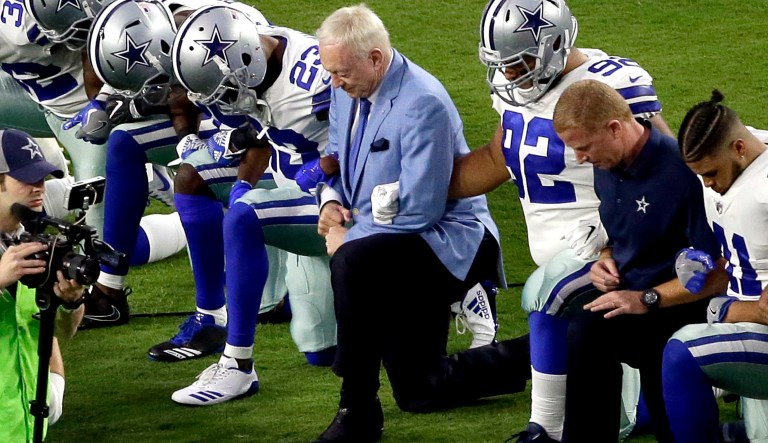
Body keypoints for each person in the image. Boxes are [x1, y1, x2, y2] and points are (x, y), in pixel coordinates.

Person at [449, 0, 674, 440]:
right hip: (565, 249)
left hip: (615, 249)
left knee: (545, 295)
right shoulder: (516, 88)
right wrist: (419, 191)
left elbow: (669, 171)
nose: (512, 74)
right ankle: (647, 404)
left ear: (554, 43)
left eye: (522, 62)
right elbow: (498, 158)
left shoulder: (609, 84)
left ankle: (546, 428)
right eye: (505, 64)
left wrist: (615, 229)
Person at [312, 5, 530, 442]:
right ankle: (541, 351)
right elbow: (334, 154)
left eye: (341, 72)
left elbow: (421, 209)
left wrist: (349, 237)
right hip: (393, 240)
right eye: (330, 72)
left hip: (450, 241)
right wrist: (330, 202)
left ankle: (357, 409)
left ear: (375, 58)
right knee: (419, 391)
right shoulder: (345, 87)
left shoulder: (422, 103)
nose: (334, 82)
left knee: (353, 265)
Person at [163, 2, 343, 405]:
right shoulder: (256, 50)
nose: (223, 104)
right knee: (321, 353)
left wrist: (327, 167)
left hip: (345, 201)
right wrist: (244, 180)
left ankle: (237, 365)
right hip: (297, 189)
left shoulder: (318, 79)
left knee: (244, 217)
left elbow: (374, 132)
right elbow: (263, 128)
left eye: (226, 91)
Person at [548, 79, 725, 442]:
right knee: (585, 332)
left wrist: (647, 299)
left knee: (655, 360)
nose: (581, 159)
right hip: (632, 296)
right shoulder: (606, 161)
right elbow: (618, 228)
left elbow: (718, 271)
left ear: (614, 128)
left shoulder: (683, 174)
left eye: (583, 148)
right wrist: (605, 256)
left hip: (681, 304)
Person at [4, 0, 189, 329]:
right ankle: (58, 179)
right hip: (42, 100)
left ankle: (187, 220)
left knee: (107, 250)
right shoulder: (14, 28)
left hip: (98, 118)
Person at [661, 90, 768, 443]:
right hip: (744, 321)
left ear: (738, 149)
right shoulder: (741, 150)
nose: (706, 183)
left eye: (710, 173)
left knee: (683, 353)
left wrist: (724, 308)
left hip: (755, 326)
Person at [0, 128, 86, 442]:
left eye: (42, 178)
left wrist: (71, 303)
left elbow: (57, 332)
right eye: (26, 179)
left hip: (23, 420)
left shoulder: (29, 244)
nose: (39, 188)